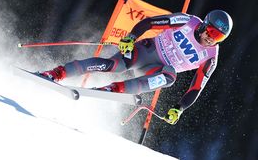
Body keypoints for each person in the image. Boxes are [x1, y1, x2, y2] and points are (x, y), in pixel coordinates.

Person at [40, 10, 233, 125]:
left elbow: (196, 87)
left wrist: (179, 108)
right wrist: (131, 38)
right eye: (211, 32)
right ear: (204, 24)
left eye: (218, 37)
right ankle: (57, 73)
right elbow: (150, 22)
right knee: (112, 65)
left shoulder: (210, 57)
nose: (211, 38)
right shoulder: (188, 21)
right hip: (145, 51)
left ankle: (115, 89)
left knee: (170, 77)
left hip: (157, 70)